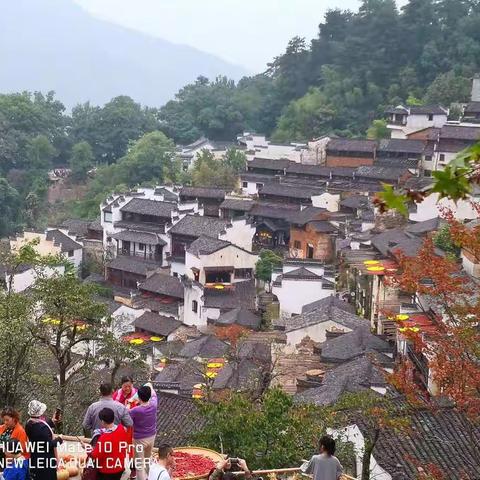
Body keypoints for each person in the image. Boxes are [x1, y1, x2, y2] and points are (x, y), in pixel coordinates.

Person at [25, 400, 62, 480]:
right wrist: (59, 439)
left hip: (36, 458)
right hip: (45, 462)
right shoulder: (41, 428)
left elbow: (41, 426)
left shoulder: (29, 424)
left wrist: (52, 421)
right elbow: (49, 445)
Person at [89, 408, 129, 480]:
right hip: (119, 467)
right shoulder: (122, 429)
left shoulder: (104, 437)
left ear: (103, 421)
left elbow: (95, 455)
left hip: (107, 471)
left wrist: (87, 448)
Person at [129, 383, 158, 480]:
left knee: (139, 465)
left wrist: (130, 402)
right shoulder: (154, 404)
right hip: (152, 436)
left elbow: (126, 417)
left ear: (139, 397)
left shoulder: (136, 410)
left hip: (139, 439)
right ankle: (151, 477)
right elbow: (152, 390)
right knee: (147, 459)